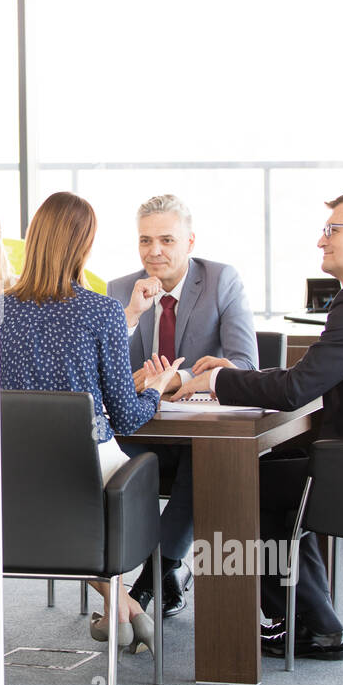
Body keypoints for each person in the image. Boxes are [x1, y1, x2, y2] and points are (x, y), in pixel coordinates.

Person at [171, 191, 343, 660]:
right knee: (265, 472)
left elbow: (298, 388)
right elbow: (305, 380)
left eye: (331, 230)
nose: (321, 241)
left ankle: (300, 625)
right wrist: (234, 375)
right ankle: (311, 622)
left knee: (236, 480)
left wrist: (218, 381)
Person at [0, 192, 180, 651]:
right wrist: (157, 388)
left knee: (62, 514)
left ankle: (120, 610)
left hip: (11, 479)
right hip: (86, 474)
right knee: (114, 489)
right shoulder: (99, 310)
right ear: (84, 246)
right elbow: (126, 417)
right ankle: (126, 604)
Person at [107, 195, 258, 617]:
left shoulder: (220, 280)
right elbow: (107, 371)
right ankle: (167, 570)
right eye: (145, 240)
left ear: (189, 241)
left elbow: (246, 364)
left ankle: (150, 579)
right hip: (142, 431)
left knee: (205, 460)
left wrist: (182, 378)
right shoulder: (121, 290)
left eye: (167, 240)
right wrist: (132, 319)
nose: (154, 251)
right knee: (95, 455)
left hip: (199, 435)